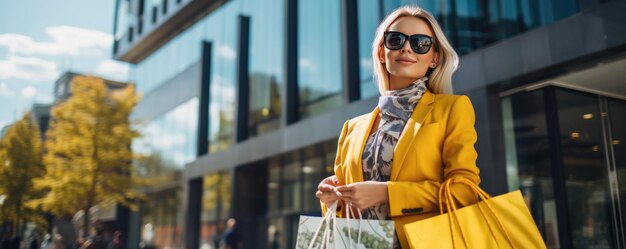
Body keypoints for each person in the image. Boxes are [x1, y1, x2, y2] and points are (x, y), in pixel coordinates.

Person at [315, 5, 481, 249]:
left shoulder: (452, 109)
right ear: (382, 52)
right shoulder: (352, 128)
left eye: (420, 43)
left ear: (434, 57)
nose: (406, 48)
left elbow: (464, 192)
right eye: (396, 40)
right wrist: (334, 197)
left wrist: (386, 193)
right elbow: (342, 214)